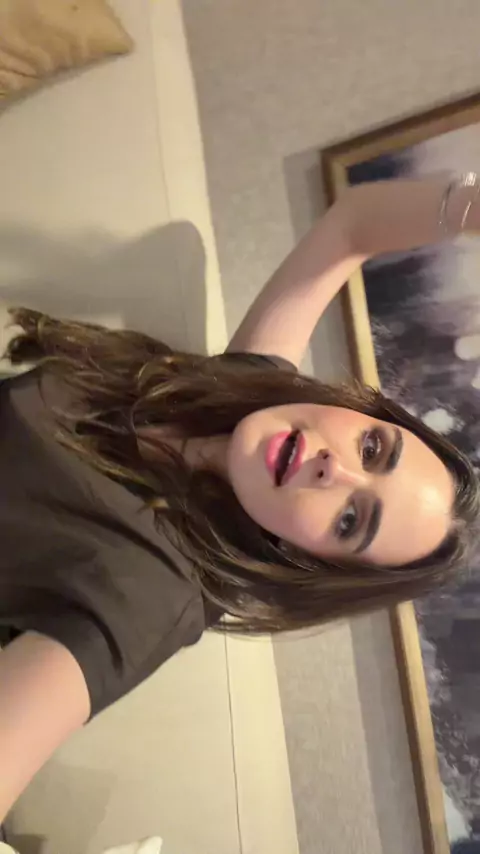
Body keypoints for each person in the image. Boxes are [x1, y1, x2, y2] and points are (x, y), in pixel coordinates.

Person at [0, 176, 479, 819]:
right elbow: (352, 224)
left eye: (349, 519)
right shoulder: (243, 393)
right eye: (372, 448)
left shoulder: (151, 598)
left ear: (307, 558)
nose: (334, 468)